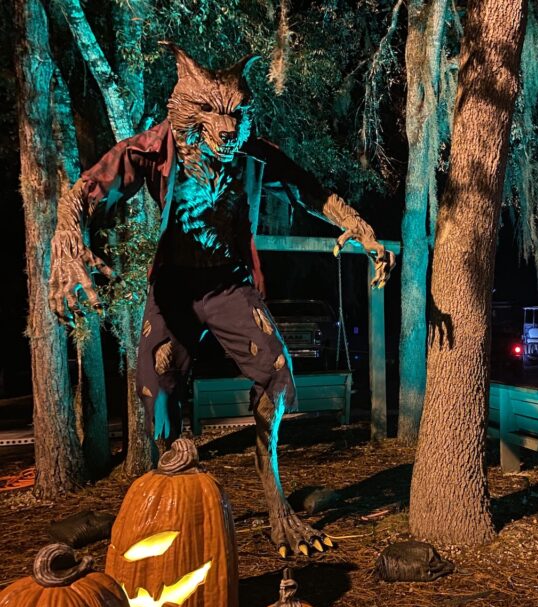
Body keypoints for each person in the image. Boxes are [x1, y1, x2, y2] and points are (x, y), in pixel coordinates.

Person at [48, 45, 395, 557]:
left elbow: (309, 190)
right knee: (156, 384)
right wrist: (67, 245)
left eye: (233, 114)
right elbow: (84, 191)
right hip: (174, 287)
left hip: (229, 285)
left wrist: (360, 227)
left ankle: (278, 507)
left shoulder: (252, 154)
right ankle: (174, 499)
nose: (226, 128)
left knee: (278, 372)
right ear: (188, 112)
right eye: (211, 112)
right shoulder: (149, 149)